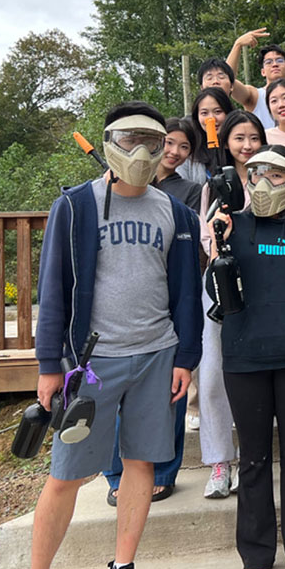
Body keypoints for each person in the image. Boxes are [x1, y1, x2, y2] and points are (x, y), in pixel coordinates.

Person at [9, 102, 202, 569]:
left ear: (166, 149)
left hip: (157, 356)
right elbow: (54, 289)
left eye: (153, 142)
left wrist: (187, 355)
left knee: (142, 462)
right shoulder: (74, 207)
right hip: (90, 362)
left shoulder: (176, 213)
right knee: (68, 471)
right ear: (110, 141)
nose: (142, 151)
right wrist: (49, 365)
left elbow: (185, 291)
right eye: (131, 139)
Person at [208, 144, 285, 569]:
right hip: (243, 356)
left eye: (276, 175)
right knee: (253, 458)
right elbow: (215, 289)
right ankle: (256, 555)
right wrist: (218, 241)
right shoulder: (232, 227)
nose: (264, 183)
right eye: (256, 173)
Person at [102, 116, 200, 506]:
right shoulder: (99, 196)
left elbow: (187, 265)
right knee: (114, 408)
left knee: (167, 402)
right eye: (169, 143)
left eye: (183, 147)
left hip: (162, 318)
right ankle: (116, 473)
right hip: (112, 327)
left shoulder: (184, 195)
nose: (172, 152)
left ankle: (162, 471)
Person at [198, 111, 266, 499]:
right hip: (221, 281)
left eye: (253, 137)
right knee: (211, 376)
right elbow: (208, 235)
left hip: (260, 280)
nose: (246, 145)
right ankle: (220, 460)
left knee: (252, 375)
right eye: (239, 138)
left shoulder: (270, 177)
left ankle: (251, 458)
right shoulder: (214, 185)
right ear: (226, 142)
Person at [225, 30, 285, 130]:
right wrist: (237, 45)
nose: (275, 64)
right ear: (263, 72)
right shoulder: (255, 96)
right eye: (268, 62)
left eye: (279, 60)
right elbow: (227, 81)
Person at [178, 87, 236, 184]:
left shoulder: (238, 148)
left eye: (218, 111)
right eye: (204, 113)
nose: (211, 119)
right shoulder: (189, 151)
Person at [151, 117, 202, 210]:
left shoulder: (192, 190)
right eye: (169, 143)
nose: (175, 152)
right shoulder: (138, 182)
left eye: (184, 147)